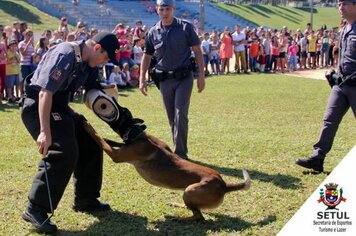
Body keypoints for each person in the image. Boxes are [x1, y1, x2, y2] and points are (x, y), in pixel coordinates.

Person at [20, 32, 120, 233]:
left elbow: (93, 91)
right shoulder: (65, 53)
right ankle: (35, 209)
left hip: (60, 107)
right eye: (106, 58)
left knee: (90, 143)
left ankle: (86, 199)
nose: (104, 63)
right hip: (38, 106)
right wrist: (44, 132)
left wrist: (116, 111)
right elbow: (44, 93)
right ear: (97, 48)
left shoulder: (88, 63)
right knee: (64, 151)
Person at [139, 0, 205, 159]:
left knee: (180, 113)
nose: (164, 12)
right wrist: (142, 79)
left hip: (184, 77)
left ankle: (180, 154)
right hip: (164, 79)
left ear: (173, 9)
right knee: (171, 117)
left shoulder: (185, 27)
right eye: (161, 9)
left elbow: (197, 51)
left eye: (167, 9)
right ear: (157, 10)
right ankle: (178, 148)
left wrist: (201, 76)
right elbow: (146, 57)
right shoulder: (153, 32)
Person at [295, 0, 356, 173]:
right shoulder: (345, 28)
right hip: (341, 84)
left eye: (344, 4)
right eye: (338, 4)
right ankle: (318, 157)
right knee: (329, 120)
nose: (340, 8)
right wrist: (335, 72)